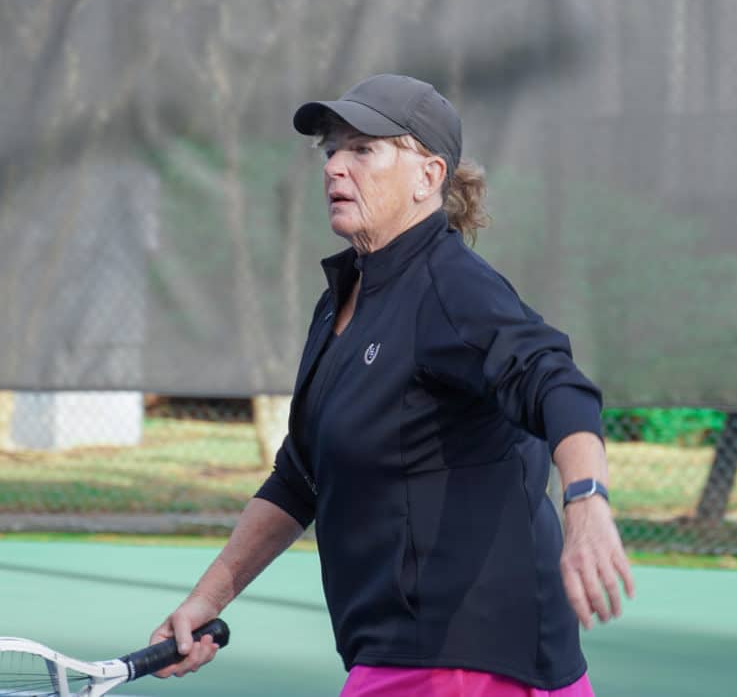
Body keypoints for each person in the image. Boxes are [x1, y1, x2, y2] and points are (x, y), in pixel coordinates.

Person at [148, 74, 635, 695]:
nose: (335, 167)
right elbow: (300, 476)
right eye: (332, 150)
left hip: (463, 658)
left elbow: (556, 381)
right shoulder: (343, 301)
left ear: (428, 177)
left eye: (363, 149)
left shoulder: (452, 288)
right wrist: (207, 599)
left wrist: (587, 500)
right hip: (415, 650)